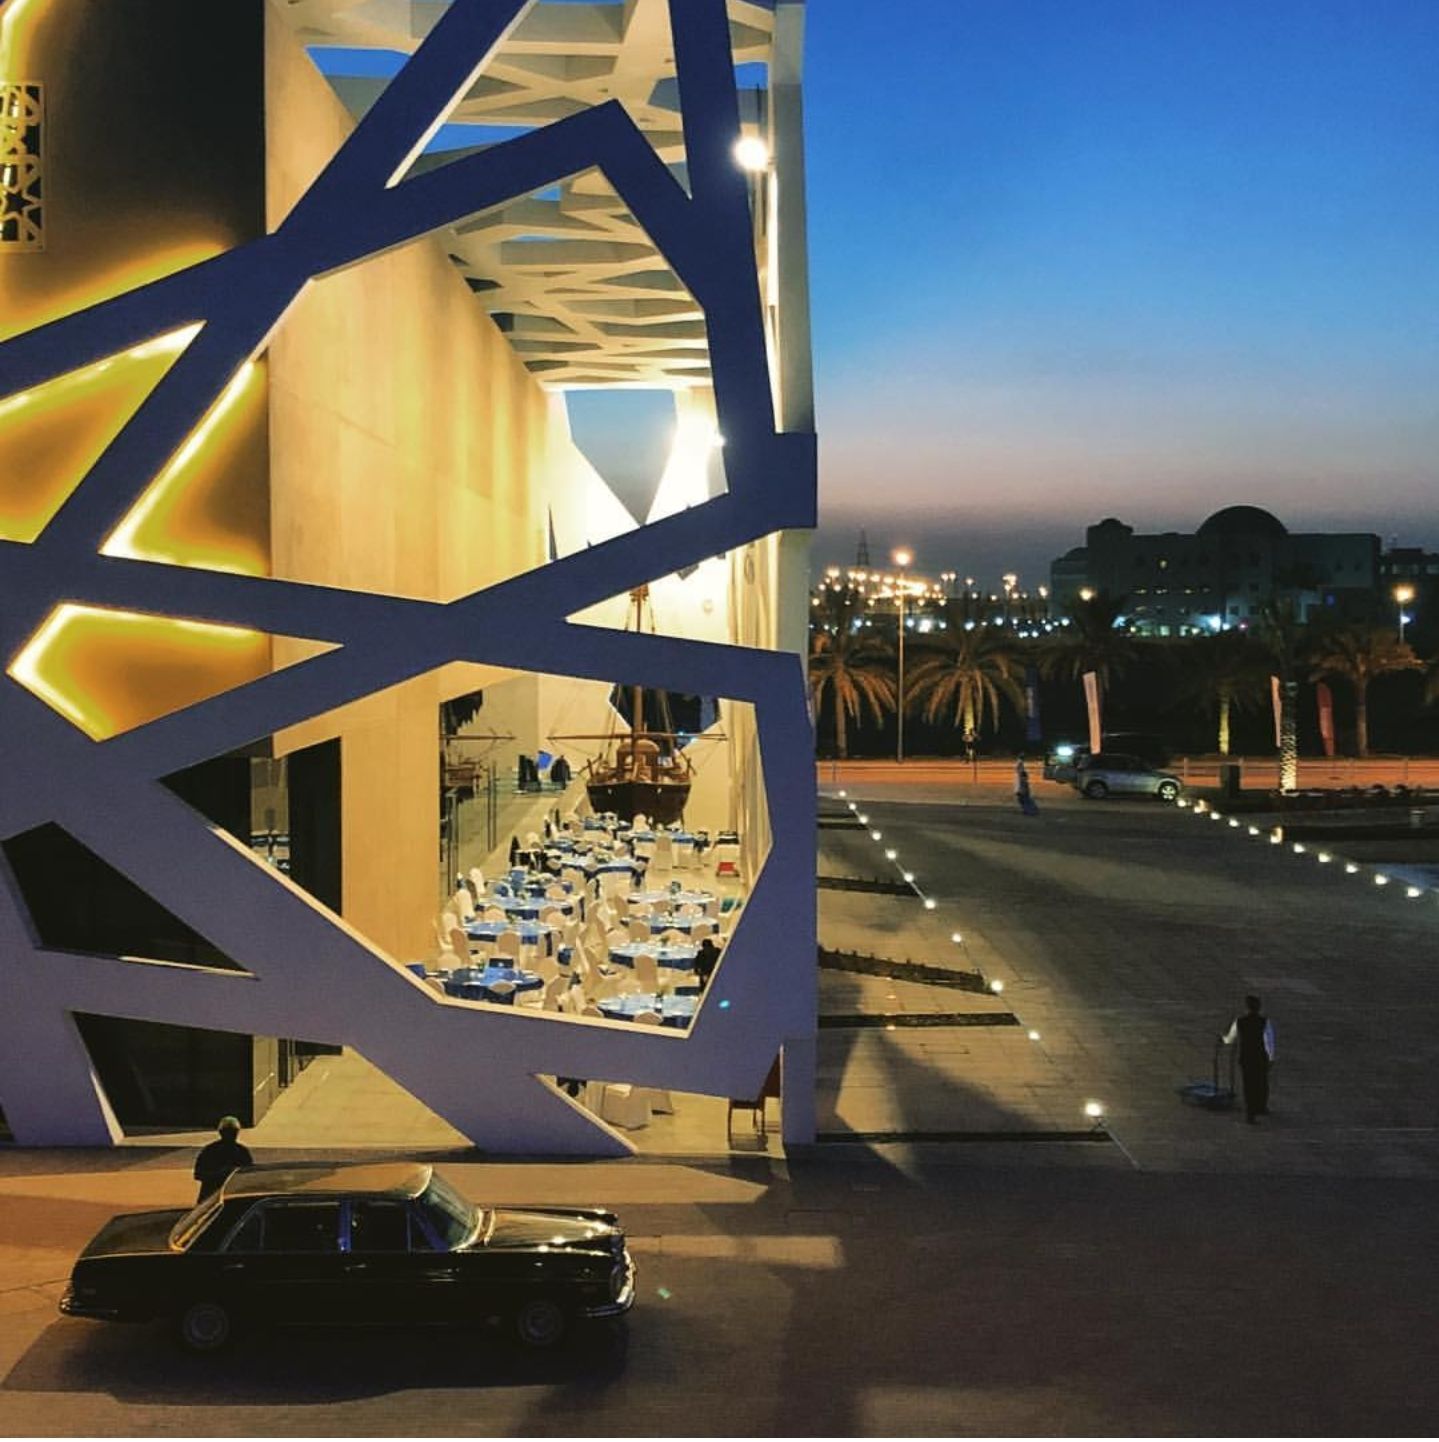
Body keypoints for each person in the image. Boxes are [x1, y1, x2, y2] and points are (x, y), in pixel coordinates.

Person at [1221, 995, 1276, 1124]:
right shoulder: (1264, 1022)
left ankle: (1250, 1113)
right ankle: (1261, 1106)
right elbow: (1269, 1042)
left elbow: (1230, 1038)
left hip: (1246, 1057)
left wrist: (1223, 1039)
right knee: (1261, 1082)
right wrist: (1271, 1058)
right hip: (1260, 1057)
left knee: (1248, 1085)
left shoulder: (1240, 1021)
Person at [193, 1116, 253, 1202]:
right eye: (229, 1132)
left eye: (232, 1132)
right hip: (218, 1196)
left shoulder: (209, 1150)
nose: (231, 1135)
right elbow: (198, 1174)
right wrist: (221, 1174)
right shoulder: (241, 1151)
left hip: (217, 1197)